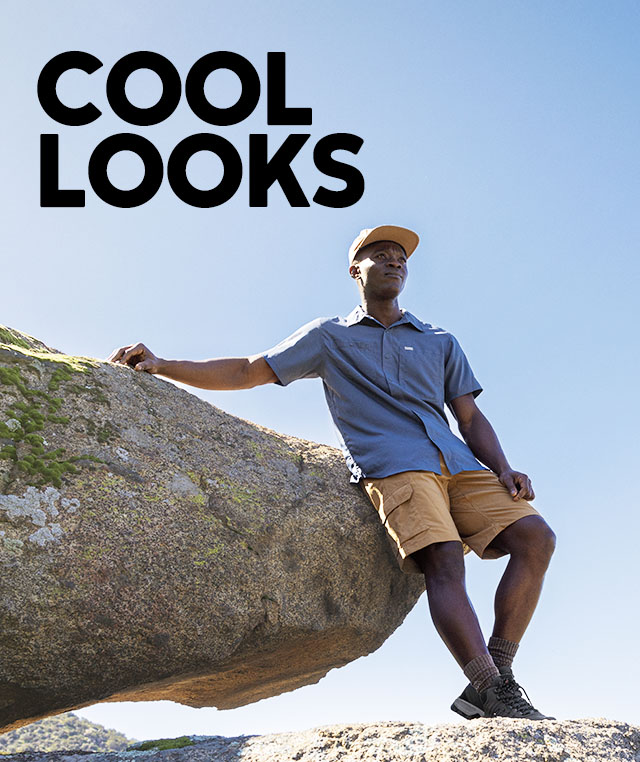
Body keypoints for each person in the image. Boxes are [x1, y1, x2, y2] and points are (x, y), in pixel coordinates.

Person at [108, 224, 556, 720]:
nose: (394, 262)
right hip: (396, 466)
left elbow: (468, 417)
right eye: (380, 254)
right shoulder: (330, 336)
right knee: (446, 564)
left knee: (537, 537)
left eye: (401, 258)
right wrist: (163, 364)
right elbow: (248, 370)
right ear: (354, 270)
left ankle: (497, 673)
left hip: (457, 462)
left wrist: (503, 468)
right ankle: (492, 691)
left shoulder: (439, 340)